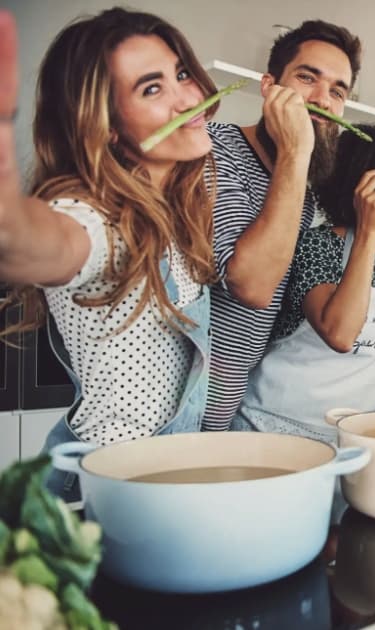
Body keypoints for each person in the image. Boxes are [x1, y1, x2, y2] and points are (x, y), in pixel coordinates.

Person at [0, 8, 217, 499]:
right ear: (109, 126)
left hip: (160, 482)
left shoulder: (173, 212)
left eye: (181, 73)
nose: (188, 98)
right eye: (152, 88)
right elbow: (43, 244)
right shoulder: (96, 216)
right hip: (105, 491)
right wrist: (9, 223)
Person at [236, 125, 375, 442]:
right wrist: (368, 231)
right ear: (360, 174)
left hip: (352, 437)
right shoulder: (317, 245)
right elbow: (340, 333)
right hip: (268, 428)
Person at [205, 20, 362, 431]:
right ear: (269, 86)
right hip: (170, 416)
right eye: (307, 78)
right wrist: (296, 149)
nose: (322, 100)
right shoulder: (212, 150)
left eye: (337, 91)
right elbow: (252, 286)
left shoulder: (302, 193)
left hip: (226, 416)